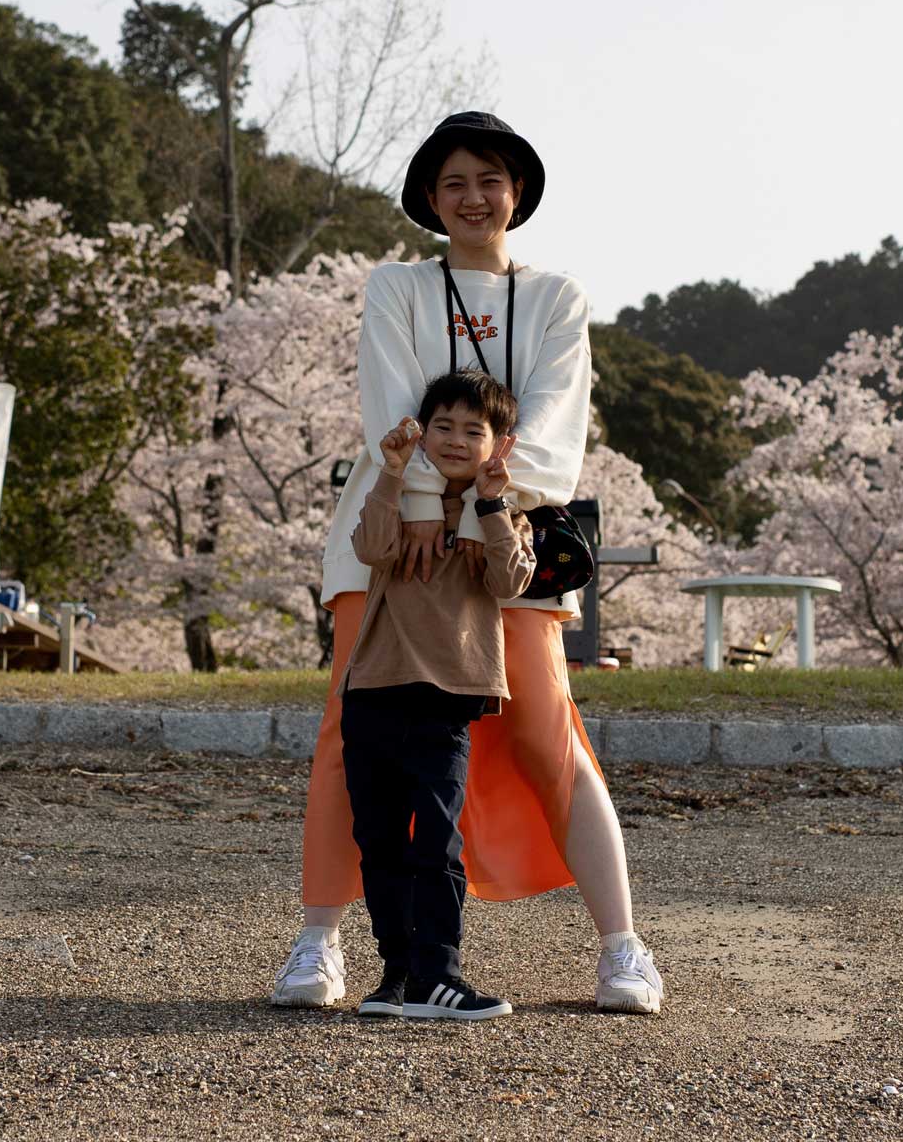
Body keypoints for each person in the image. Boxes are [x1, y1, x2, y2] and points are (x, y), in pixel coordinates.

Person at [272, 111, 665, 1014]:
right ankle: (316, 945)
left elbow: (554, 428)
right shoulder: (396, 286)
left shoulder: (557, 296)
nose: (473, 197)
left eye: (489, 179)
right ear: (428, 199)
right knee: (349, 733)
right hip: (387, 545)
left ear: (515, 192)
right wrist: (416, 502)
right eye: (453, 183)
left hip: (503, 541)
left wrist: (472, 511)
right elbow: (390, 407)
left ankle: (622, 947)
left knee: (544, 732)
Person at [343, 372, 533, 1021]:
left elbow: (510, 582)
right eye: (443, 426)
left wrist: (491, 508)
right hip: (373, 685)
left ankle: (439, 972)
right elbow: (369, 547)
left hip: (450, 692)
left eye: (473, 430)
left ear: (498, 444)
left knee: (438, 841)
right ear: (423, 432)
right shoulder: (399, 498)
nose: (456, 439)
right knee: (379, 839)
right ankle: (396, 973)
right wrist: (392, 474)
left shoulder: (502, 513)